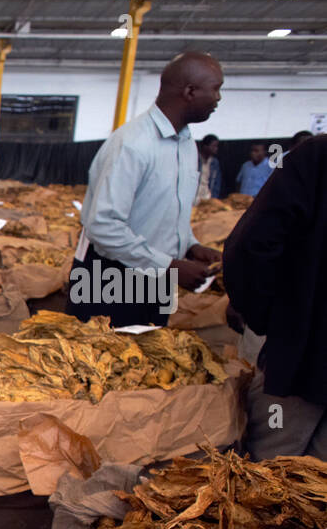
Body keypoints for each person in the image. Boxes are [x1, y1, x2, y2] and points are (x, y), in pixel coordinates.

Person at [68, 51, 224, 326]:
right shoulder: (132, 144)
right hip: (110, 278)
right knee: (98, 361)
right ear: (190, 91)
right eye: (216, 89)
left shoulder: (186, 145)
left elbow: (168, 211)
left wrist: (190, 246)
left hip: (155, 276)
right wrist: (169, 266)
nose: (219, 99)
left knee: (148, 356)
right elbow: (103, 226)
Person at [224, 134, 327, 459]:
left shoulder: (317, 156)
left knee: (266, 478)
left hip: (304, 357)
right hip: (306, 354)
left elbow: (252, 246)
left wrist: (265, 315)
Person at [196, 133, 222, 202]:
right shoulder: (195, 160)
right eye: (213, 146)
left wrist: (214, 198)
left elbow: (217, 182)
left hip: (207, 196)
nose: (216, 149)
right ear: (205, 146)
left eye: (217, 146)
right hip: (195, 196)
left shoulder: (214, 162)